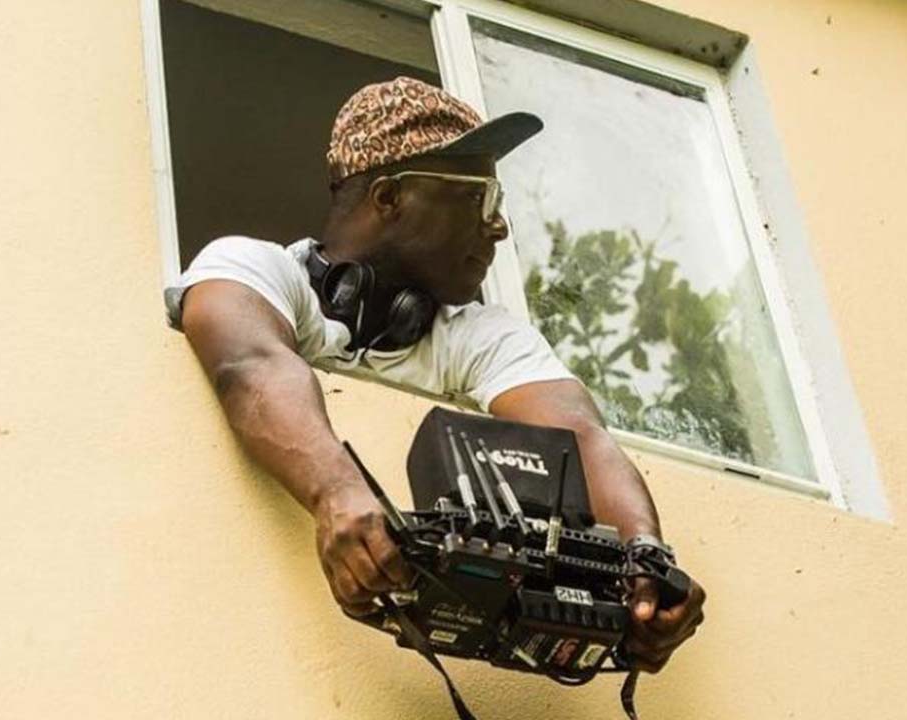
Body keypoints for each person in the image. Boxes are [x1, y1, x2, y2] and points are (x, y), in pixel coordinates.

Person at [165, 76, 704, 674]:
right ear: (391, 197)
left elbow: (580, 436)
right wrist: (337, 493)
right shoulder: (251, 265)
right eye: (481, 199)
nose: (499, 227)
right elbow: (251, 366)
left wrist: (644, 558)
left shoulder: (478, 334)